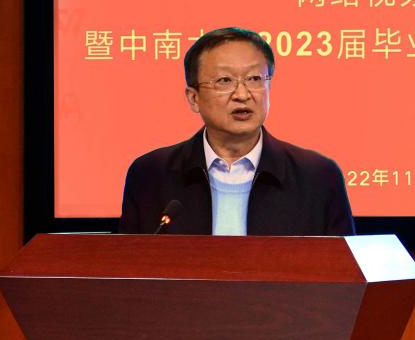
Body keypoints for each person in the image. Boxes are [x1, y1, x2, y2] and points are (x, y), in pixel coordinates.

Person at [118, 27, 355, 236]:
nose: (242, 94)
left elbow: (344, 269)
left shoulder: (317, 177)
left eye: (254, 78)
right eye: (224, 80)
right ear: (193, 98)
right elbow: (127, 267)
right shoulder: (151, 175)